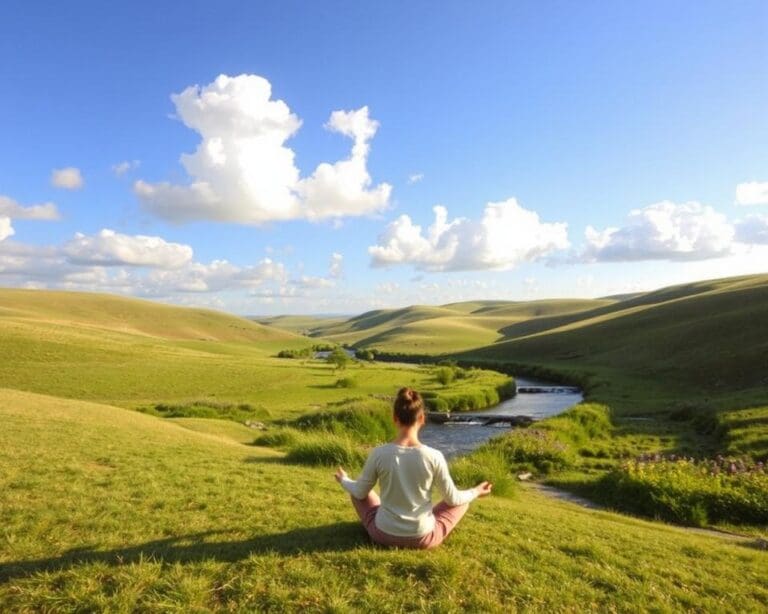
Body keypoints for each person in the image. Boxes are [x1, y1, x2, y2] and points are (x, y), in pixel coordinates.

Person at [335, 387, 492, 549]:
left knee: (358, 493)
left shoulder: (379, 453)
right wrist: (476, 491)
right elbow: (453, 499)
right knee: (462, 501)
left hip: (382, 535)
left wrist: (344, 480)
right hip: (423, 538)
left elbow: (360, 492)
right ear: (422, 418)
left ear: (395, 418)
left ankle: (390, 521)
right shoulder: (434, 456)